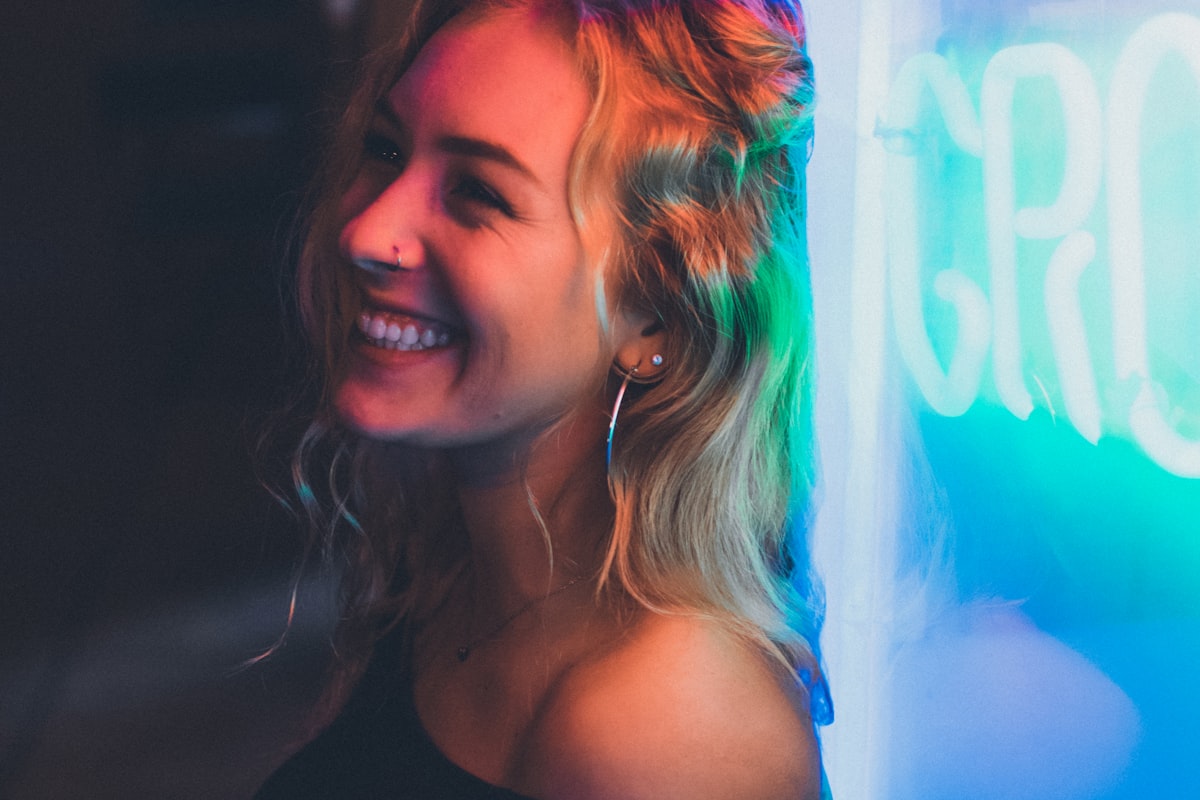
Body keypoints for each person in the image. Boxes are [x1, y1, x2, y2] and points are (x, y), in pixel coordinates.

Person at [254, 0, 831, 797]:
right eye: (387, 148)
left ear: (657, 313)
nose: (366, 231)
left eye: (478, 194)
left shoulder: (672, 740)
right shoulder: (451, 567)